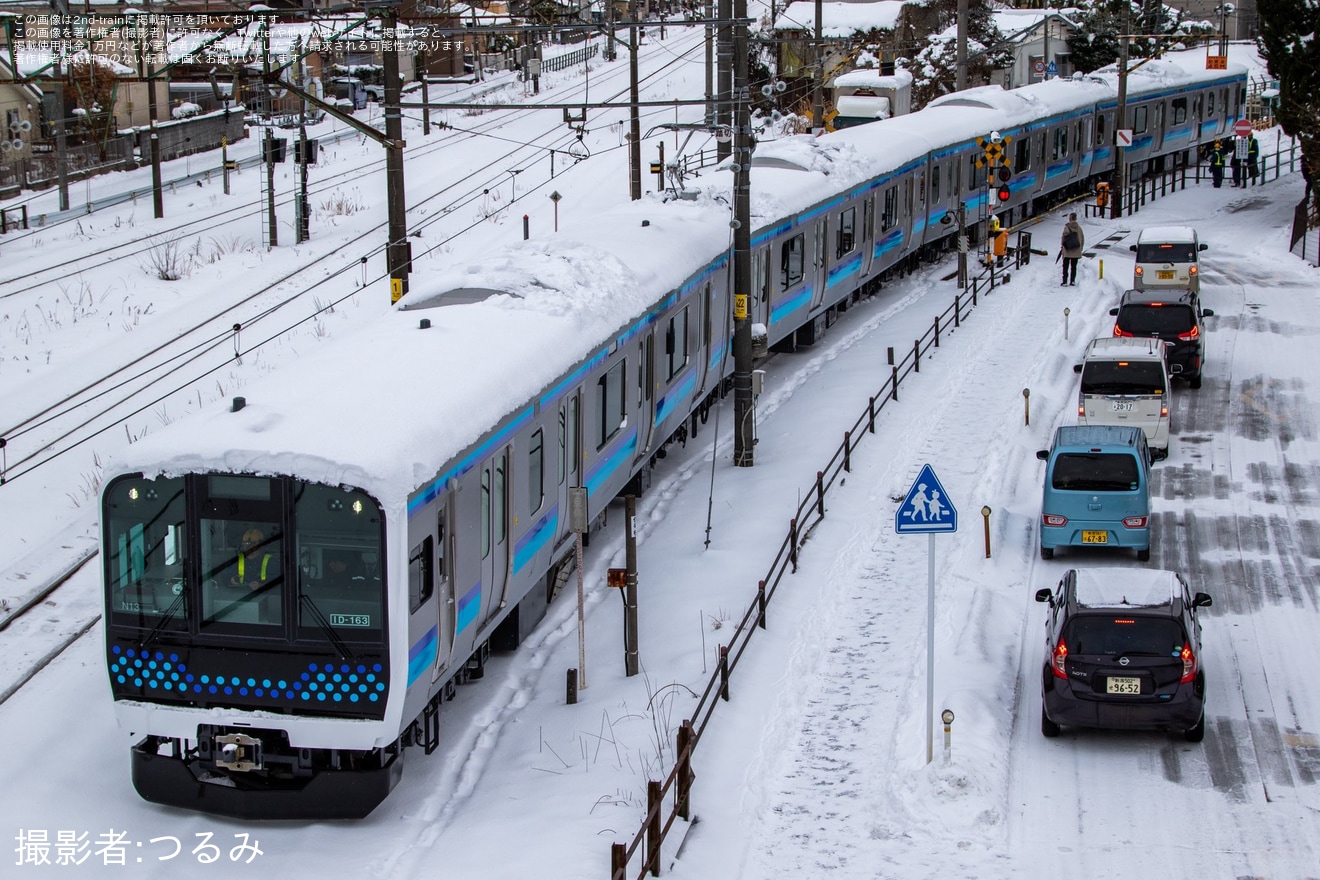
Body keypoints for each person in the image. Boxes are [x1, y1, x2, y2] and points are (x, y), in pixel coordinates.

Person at [231, 527, 279, 593]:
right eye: (246, 546)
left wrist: (262, 586)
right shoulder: (237, 560)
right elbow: (225, 576)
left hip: (265, 598)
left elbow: (278, 583)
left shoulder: (271, 561)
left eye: (253, 547)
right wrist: (231, 580)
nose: (249, 550)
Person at [1060, 213, 1084, 286]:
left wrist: (1062, 246)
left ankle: (1064, 281)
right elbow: (1082, 239)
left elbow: (1064, 237)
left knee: (1065, 266)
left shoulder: (1067, 227)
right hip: (1076, 250)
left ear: (1070, 219)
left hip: (1067, 250)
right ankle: (1072, 281)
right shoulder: (1079, 228)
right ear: (1076, 218)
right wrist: (1080, 248)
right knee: (1074, 267)